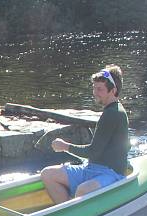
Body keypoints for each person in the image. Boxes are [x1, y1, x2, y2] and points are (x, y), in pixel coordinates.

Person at [40, 65, 130, 204]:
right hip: (91, 168)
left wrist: (65, 146)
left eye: (99, 89)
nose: (95, 92)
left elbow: (92, 151)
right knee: (47, 174)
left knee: (83, 190)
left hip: (111, 173)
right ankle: (67, 214)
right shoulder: (110, 110)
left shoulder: (113, 114)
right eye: (94, 88)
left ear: (113, 90)